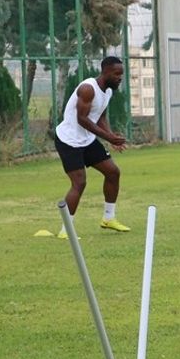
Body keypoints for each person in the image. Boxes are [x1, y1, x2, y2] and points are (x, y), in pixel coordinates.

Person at [54, 56, 130, 238]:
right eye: (116, 73)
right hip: (69, 141)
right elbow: (82, 119)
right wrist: (108, 136)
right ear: (105, 72)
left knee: (113, 172)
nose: (120, 77)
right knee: (79, 183)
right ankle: (66, 231)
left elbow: (100, 117)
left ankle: (108, 218)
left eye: (122, 74)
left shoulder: (108, 92)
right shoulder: (88, 89)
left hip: (87, 140)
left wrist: (110, 137)